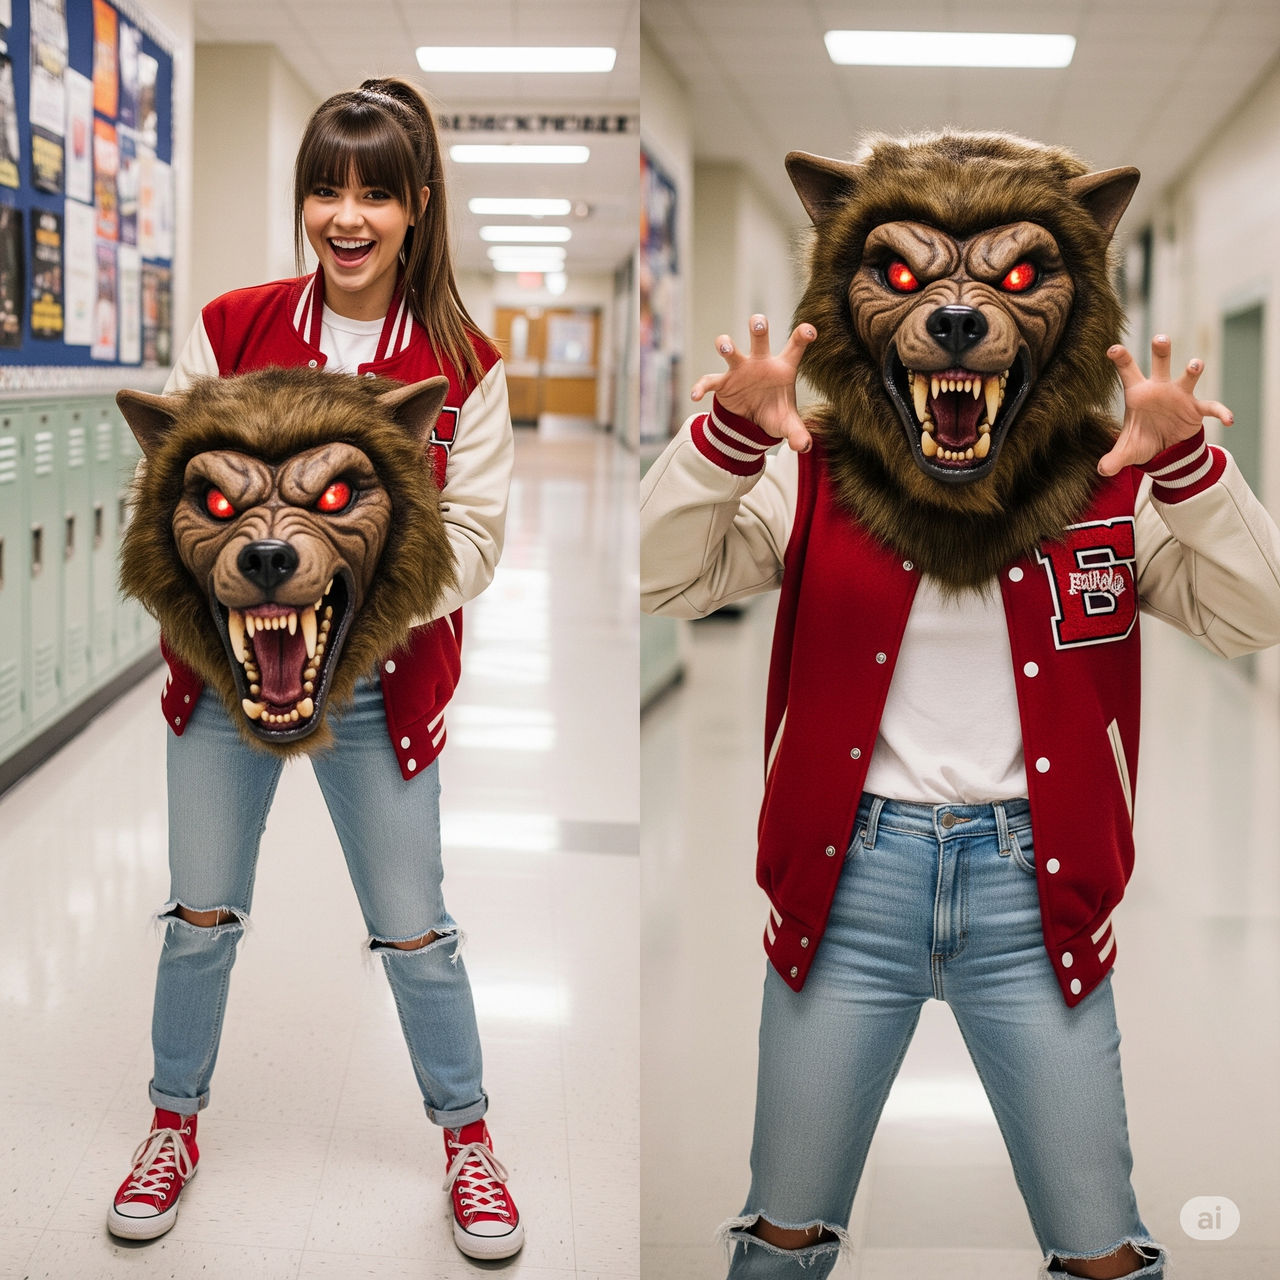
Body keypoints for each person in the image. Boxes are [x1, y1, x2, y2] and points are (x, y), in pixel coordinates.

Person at [641, 315, 1280, 1279]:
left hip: (1038, 903)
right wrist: (730, 445)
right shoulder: (817, 472)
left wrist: (1188, 468)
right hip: (849, 891)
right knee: (784, 1235)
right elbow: (660, 575)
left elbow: (1255, 613)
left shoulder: (1107, 480)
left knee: (1104, 1250)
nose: (957, 328)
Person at [107, 78, 523, 1261]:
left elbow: (479, 541)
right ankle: (171, 1122)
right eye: (325, 188)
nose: (346, 215)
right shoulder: (232, 327)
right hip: (223, 675)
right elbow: (168, 495)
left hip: (382, 685)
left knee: (412, 925)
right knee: (198, 913)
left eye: (375, 193)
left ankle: (468, 1138)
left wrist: (349, 604)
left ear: (416, 207)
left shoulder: (463, 361)